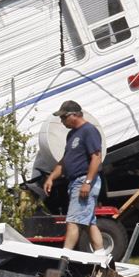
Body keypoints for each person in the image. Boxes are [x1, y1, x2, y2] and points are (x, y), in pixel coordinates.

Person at [42, 100, 104, 252]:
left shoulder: (89, 130)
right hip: (75, 181)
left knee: (73, 221)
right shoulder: (72, 134)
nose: (61, 121)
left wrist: (87, 182)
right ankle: (101, 256)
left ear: (74, 115)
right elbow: (65, 161)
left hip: (84, 180)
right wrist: (51, 177)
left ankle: (65, 258)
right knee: (89, 222)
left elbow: (96, 157)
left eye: (63, 117)